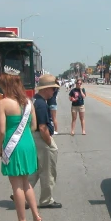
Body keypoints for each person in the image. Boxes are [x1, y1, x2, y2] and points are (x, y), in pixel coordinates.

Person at [0, 67, 43, 221]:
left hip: (13, 144)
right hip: (27, 143)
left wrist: (0, 147)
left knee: (16, 184)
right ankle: (36, 216)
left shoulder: (3, 103)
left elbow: (2, 130)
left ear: (6, 85)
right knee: (26, 182)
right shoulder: (28, 102)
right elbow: (33, 126)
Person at [28, 74, 63, 209]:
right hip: (42, 138)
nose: (54, 92)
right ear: (46, 88)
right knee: (48, 171)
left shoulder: (35, 100)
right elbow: (42, 127)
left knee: (36, 169)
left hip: (35, 137)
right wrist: (49, 143)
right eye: (53, 89)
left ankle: (23, 193)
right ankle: (46, 200)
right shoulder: (42, 104)